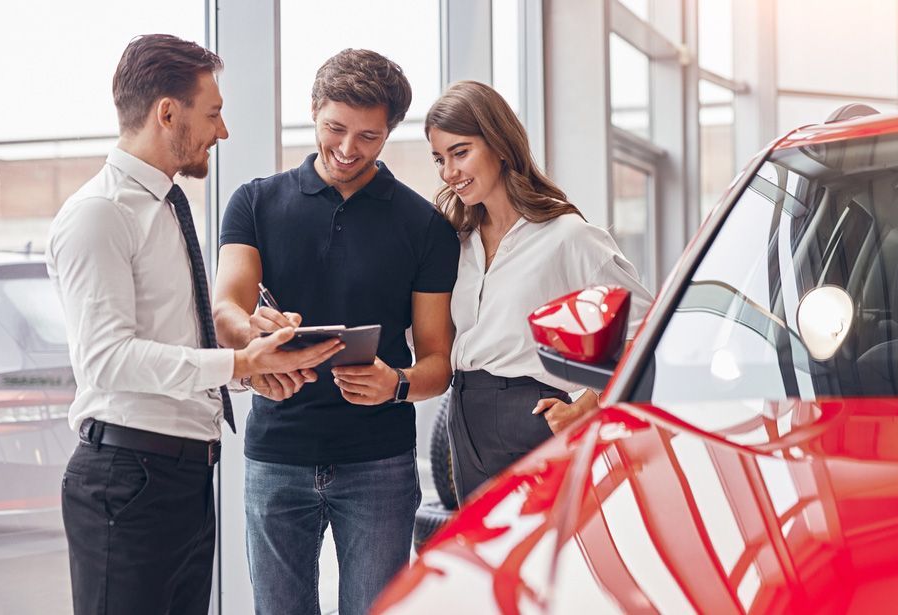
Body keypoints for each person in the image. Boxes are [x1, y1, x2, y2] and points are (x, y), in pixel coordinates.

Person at [47, 34, 345, 615]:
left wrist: (252, 364)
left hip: (182, 479)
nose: (223, 131)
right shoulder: (98, 215)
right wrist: (238, 363)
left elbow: (170, 342)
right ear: (166, 112)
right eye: (212, 113)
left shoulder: (165, 208)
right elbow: (106, 360)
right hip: (127, 481)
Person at [213, 48, 459, 615]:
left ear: (389, 132)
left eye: (369, 137)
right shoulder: (254, 202)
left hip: (379, 463)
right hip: (277, 455)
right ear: (314, 111)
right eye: (335, 129)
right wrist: (251, 332)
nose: (348, 150)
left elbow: (437, 363)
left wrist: (395, 384)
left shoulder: (424, 226)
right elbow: (226, 307)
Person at [425, 81, 654, 503]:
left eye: (460, 153)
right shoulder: (457, 243)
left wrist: (589, 402)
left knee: (544, 561)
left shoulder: (567, 237)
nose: (448, 172)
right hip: (464, 417)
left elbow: (645, 328)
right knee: (487, 562)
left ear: (499, 144)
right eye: (440, 159)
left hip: (533, 416)